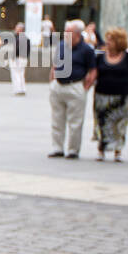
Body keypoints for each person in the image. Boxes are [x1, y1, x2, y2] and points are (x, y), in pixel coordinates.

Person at [88, 27, 128, 162]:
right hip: (102, 95)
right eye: (107, 40)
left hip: (122, 97)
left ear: (118, 41)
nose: (107, 42)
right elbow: (94, 73)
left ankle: (118, 151)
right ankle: (101, 150)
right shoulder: (100, 57)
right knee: (102, 122)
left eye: (110, 40)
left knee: (120, 124)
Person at [48, 19, 95, 159]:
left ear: (78, 34)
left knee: (75, 121)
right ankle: (57, 148)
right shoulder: (62, 45)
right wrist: (52, 81)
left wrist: (85, 88)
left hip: (75, 86)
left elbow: (93, 71)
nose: (66, 35)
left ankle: (73, 150)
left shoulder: (87, 50)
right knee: (57, 119)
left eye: (69, 33)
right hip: (58, 86)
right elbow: (55, 64)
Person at [8, 21, 29, 96]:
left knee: (15, 74)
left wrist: (13, 58)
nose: (15, 29)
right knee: (21, 74)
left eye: (17, 27)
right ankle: (23, 89)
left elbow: (16, 49)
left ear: (20, 29)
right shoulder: (26, 38)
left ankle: (18, 89)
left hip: (17, 59)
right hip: (24, 58)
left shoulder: (18, 37)